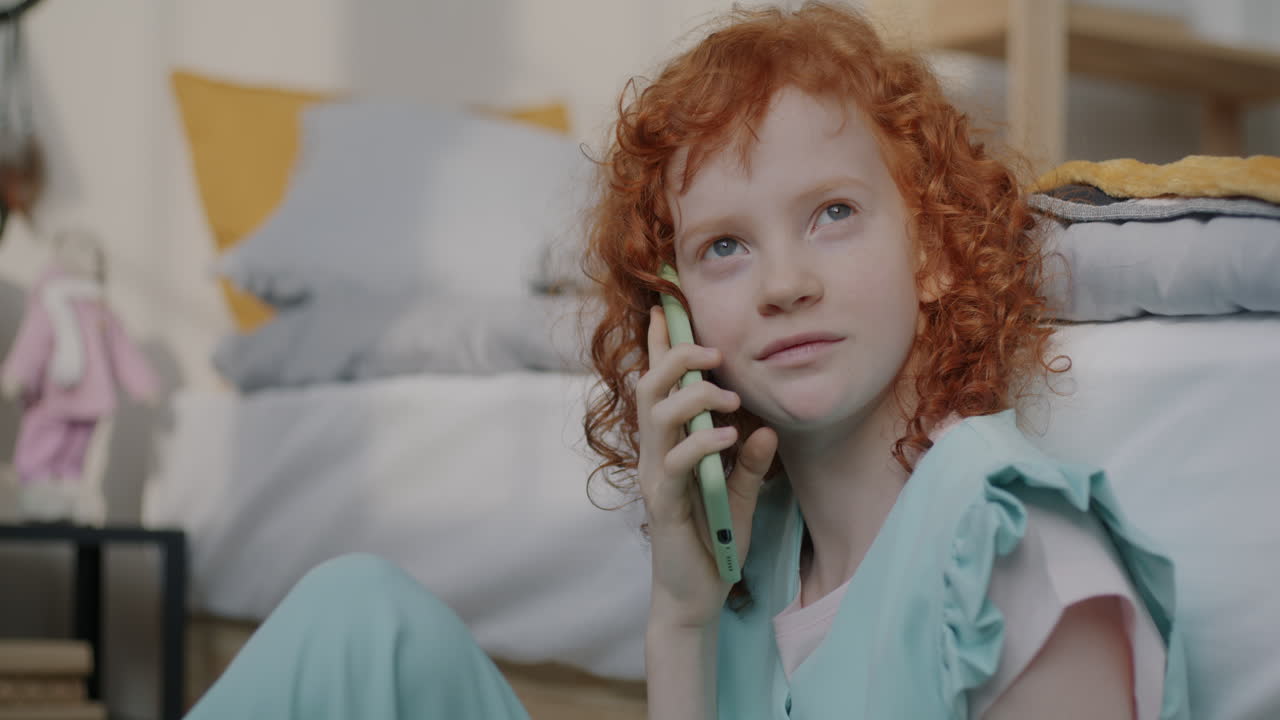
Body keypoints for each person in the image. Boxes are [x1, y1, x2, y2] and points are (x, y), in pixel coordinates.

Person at [184, 3, 1189, 719]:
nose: (782, 282)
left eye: (832, 214)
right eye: (723, 246)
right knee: (358, 617)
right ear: (672, 313)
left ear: (928, 252)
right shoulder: (746, 566)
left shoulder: (1011, 546)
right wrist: (680, 614)